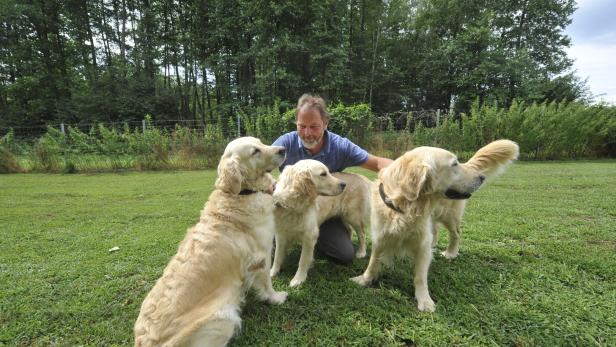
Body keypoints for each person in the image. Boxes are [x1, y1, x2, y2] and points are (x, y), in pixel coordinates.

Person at [273, 94, 393, 264]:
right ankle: (304, 236)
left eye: (314, 126)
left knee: (343, 255)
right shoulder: (285, 143)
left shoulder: (340, 146)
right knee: (265, 251)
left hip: (324, 209)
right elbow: (260, 169)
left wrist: (404, 171)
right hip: (289, 210)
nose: (307, 133)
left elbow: (378, 162)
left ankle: (320, 236)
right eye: (302, 126)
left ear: (325, 124)